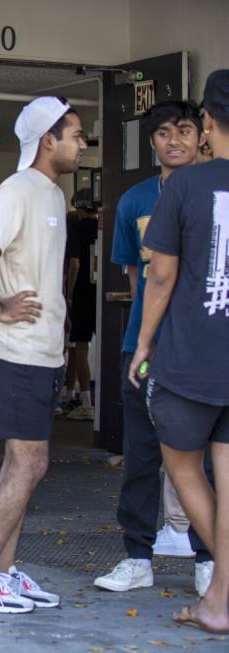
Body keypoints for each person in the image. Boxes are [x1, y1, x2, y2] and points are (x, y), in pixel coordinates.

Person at [0, 97, 86, 613]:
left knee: (25, 463)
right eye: (75, 134)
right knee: (29, 461)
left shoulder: (50, 193)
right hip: (16, 352)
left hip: (42, 352)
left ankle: (1, 573)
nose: (82, 143)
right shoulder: (18, 189)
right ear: (48, 140)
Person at [96, 100, 214, 595]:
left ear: (201, 134)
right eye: (164, 133)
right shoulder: (134, 201)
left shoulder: (215, 191)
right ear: (151, 142)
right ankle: (137, 557)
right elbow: (136, 276)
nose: (175, 141)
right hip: (141, 345)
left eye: (184, 130)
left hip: (200, 346)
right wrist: (145, 335)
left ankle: (208, 560)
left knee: (205, 460)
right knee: (141, 454)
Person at [128, 69, 229, 634]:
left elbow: (160, 278)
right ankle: (220, 598)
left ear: (207, 124)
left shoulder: (186, 185)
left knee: (182, 465)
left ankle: (222, 597)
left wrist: (143, 344)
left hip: (191, 359)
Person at [64, 191, 99, 421]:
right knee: (79, 346)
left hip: (82, 293)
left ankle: (85, 400)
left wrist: (69, 294)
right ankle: (70, 395)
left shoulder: (76, 230)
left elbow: (75, 263)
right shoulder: (103, 228)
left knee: (79, 344)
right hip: (101, 289)